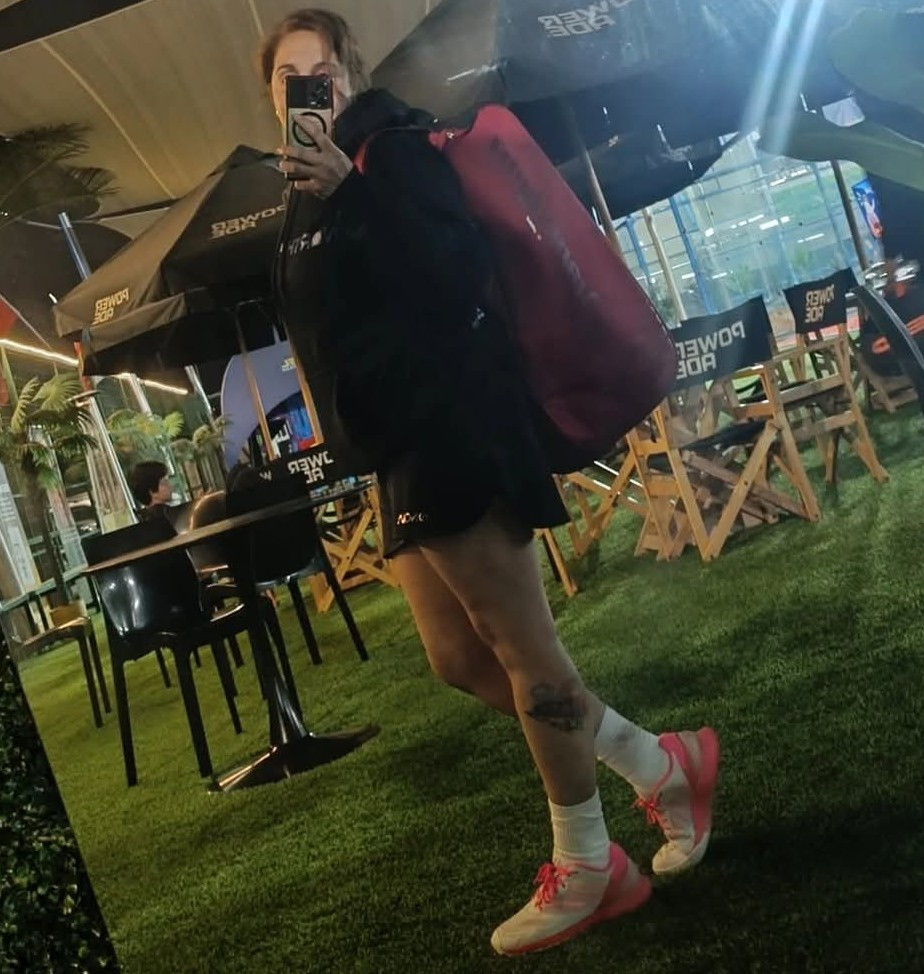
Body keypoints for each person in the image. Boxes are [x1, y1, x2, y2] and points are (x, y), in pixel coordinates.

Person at [263, 8, 720, 955]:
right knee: (459, 660)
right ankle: (657, 763)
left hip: (453, 426)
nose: (310, 89)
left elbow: (454, 274)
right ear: (272, 95)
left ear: (350, 77)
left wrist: (352, 193)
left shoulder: (389, 154)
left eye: (323, 72)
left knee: (523, 651)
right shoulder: (300, 197)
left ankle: (589, 863)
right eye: (289, 77)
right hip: (394, 449)